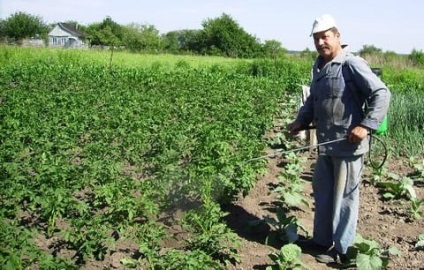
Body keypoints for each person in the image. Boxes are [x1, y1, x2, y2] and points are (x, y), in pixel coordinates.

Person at [288, 14, 391, 265]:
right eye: (316, 39)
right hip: (325, 145)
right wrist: (301, 120)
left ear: (337, 36)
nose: (321, 42)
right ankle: (321, 241)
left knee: (344, 200)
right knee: (322, 194)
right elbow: (313, 99)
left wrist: (366, 125)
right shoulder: (319, 66)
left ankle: (341, 249)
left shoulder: (351, 63)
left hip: (347, 146)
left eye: (325, 37)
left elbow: (381, 93)